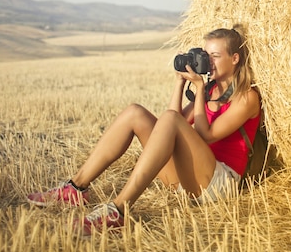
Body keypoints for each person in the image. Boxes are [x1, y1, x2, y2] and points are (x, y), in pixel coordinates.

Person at [27, 25, 261, 236]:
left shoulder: (247, 97)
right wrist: (180, 83)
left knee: (169, 119)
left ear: (235, 58)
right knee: (135, 113)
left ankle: (117, 211)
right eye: (205, 54)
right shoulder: (210, 91)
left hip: (220, 184)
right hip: (190, 179)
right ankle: (75, 188)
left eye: (215, 56)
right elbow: (170, 123)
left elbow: (205, 134)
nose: (208, 61)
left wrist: (199, 88)